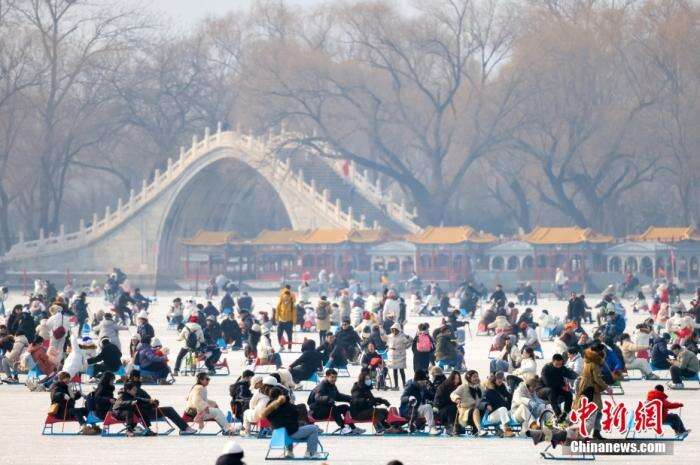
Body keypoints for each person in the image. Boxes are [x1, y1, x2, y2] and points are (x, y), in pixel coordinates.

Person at [261, 377, 324, 459]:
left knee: (287, 426)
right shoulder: (287, 405)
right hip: (291, 434)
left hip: (278, 434)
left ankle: (289, 452)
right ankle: (311, 452)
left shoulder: (268, 407)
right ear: (281, 395)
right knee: (313, 428)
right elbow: (296, 416)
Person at [126, 370, 196, 434]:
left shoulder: (132, 387)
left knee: (168, 410)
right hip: (145, 413)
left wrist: (153, 403)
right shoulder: (134, 389)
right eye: (140, 376)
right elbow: (138, 401)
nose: (141, 378)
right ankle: (185, 428)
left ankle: (185, 428)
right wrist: (151, 403)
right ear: (135, 377)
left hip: (145, 411)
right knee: (169, 410)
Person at [308, 369, 364, 434]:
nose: (334, 379)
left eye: (335, 377)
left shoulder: (332, 385)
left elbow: (338, 396)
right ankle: (343, 428)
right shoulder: (322, 386)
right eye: (332, 377)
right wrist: (328, 399)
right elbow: (317, 397)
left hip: (326, 409)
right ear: (326, 377)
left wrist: (350, 398)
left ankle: (352, 427)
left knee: (345, 407)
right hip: (317, 412)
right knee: (333, 408)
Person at [573, 344, 609, 439]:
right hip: (591, 389)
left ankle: (594, 431)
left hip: (586, 387)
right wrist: (607, 387)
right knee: (594, 411)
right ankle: (585, 433)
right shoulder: (594, 364)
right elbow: (597, 379)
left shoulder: (587, 361)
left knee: (593, 410)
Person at [450, 369, 489, 437]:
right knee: (475, 410)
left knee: (481, 409)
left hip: (476, 411)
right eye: (474, 377)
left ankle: (476, 429)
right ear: (469, 378)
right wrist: (457, 398)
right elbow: (452, 394)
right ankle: (480, 430)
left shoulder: (480, 388)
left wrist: (486, 405)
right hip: (465, 413)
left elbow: (481, 401)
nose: (476, 378)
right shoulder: (463, 387)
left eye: (477, 376)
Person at [541, 353, 578, 423]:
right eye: (557, 364)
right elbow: (547, 383)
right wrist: (562, 386)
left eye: (560, 364)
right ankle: (558, 414)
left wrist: (579, 376)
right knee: (551, 393)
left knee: (569, 394)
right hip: (545, 389)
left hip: (558, 387)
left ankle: (565, 413)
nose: (558, 366)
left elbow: (569, 373)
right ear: (553, 361)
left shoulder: (562, 367)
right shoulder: (546, 368)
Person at [399, 370, 437, 434]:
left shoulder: (422, 387)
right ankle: (432, 428)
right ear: (419, 380)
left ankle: (417, 425)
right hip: (408, 410)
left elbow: (431, 396)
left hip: (417, 408)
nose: (426, 382)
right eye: (424, 380)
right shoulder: (410, 386)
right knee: (427, 407)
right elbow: (402, 398)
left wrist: (439, 396)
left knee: (431, 407)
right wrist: (409, 398)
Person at [434, 370, 462, 434]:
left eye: (458, 379)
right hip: (443, 409)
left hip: (456, 408)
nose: (457, 380)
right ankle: (451, 427)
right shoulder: (443, 387)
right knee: (450, 409)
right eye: (455, 379)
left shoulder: (460, 387)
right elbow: (437, 401)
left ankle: (457, 427)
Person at [386, 323, 411, 388]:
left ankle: (404, 384)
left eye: (395, 330)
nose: (394, 331)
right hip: (393, 357)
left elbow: (410, 341)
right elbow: (387, 343)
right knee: (394, 371)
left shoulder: (402, 336)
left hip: (400, 356)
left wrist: (405, 347)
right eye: (393, 330)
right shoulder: (389, 336)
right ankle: (396, 385)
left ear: (398, 329)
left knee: (401, 371)